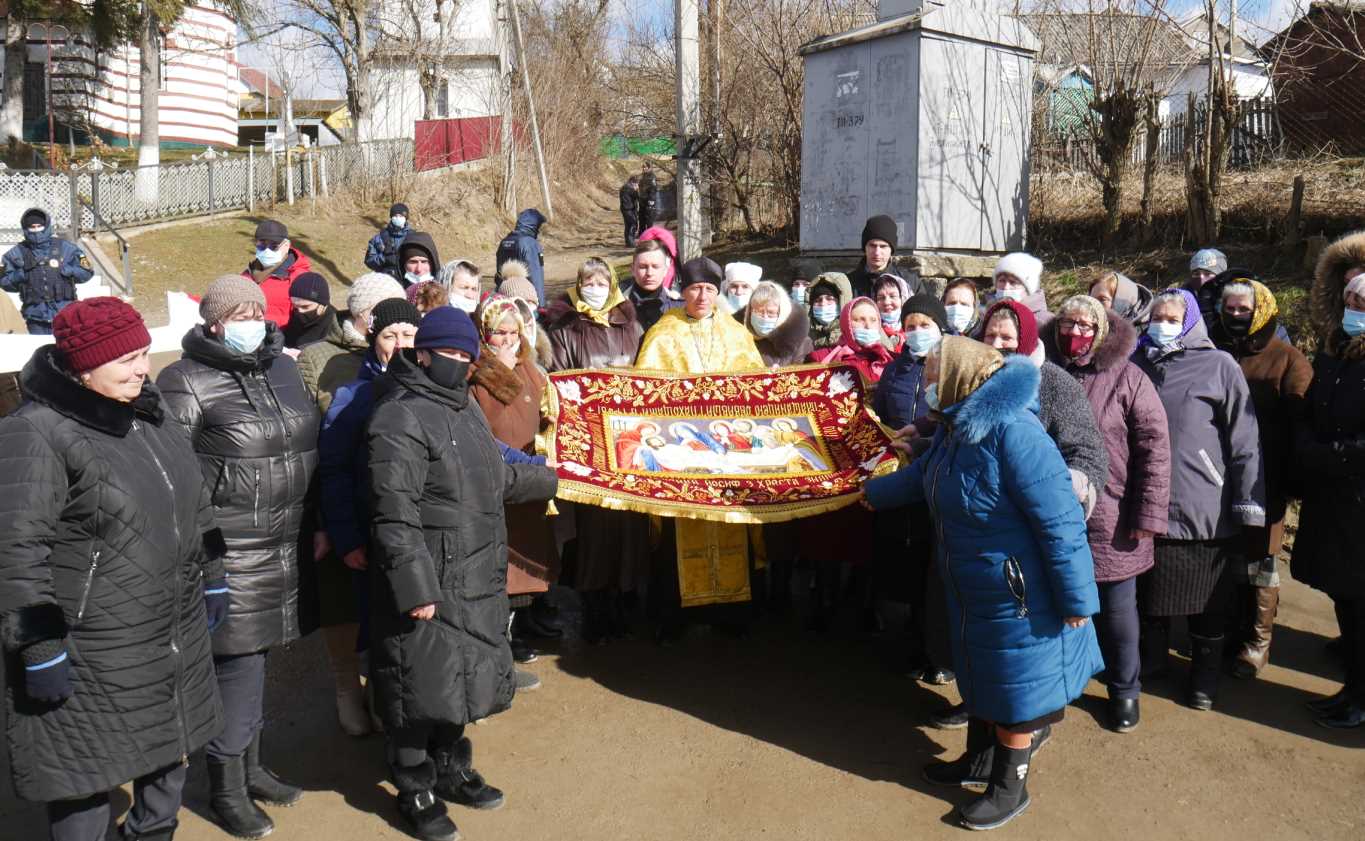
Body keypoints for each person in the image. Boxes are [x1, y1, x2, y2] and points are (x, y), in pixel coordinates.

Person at [0, 298, 224, 841]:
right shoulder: (38, 431)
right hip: (91, 643)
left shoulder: (150, 412)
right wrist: (39, 645)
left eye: (144, 354)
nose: (142, 369)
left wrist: (213, 568)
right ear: (83, 367)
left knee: (170, 753)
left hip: (170, 629)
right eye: (125, 360)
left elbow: (192, 496)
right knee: (81, 774)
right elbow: (16, 547)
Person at [863, 337, 1102, 831]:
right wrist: (866, 494)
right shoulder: (956, 429)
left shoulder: (1018, 434)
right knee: (980, 677)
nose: (926, 384)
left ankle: (1009, 788)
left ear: (959, 377)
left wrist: (1077, 598)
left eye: (933, 374)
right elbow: (921, 478)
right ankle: (977, 761)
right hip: (973, 588)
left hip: (1020, 596)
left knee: (1017, 693)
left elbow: (1061, 523)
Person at [366, 307, 557, 841]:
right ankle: (414, 785)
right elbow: (391, 512)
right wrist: (414, 587)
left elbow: (495, 477)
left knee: (459, 679)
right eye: (445, 354)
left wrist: (560, 482)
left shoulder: (465, 408)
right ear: (421, 354)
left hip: (474, 570)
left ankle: (451, 766)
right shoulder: (398, 415)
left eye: (464, 355)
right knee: (416, 685)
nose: (456, 362)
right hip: (428, 577)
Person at [157, 275, 321, 838]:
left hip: (288, 541)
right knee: (238, 666)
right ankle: (224, 787)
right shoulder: (184, 380)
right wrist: (202, 557)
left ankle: (252, 768)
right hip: (231, 548)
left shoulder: (283, 368)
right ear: (213, 321)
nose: (253, 320)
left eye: (258, 309)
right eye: (239, 312)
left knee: (260, 660)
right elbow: (173, 475)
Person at [1043, 294, 1171, 733]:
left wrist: (1148, 514)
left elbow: (1155, 449)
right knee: (1059, 604)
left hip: (1112, 515)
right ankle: (1062, 682)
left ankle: (1124, 691)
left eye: (1084, 326)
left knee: (1117, 611)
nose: (1074, 333)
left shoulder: (1129, 378)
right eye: (1067, 324)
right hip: (1050, 512)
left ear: (1100, 333)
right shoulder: (1044, 373)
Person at [1134, 288, 1264, 712]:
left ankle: (1204, 678)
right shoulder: (1138, 362)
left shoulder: (1219, 365)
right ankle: (1151, 663)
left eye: (1172, 318)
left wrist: (1248, 501)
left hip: (1201, 504)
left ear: (1190, 323)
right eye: (1157, 316)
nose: (1162, 324)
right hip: (1145, 499)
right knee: (1149, 591)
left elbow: (1244, 439)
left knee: (1206, 599)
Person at [635, 257, 765, 640]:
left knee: (731, 524)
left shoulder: (736, 334)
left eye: (709, 288)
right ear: (683, 291)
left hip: (728, 456)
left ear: (718, 291)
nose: (702, 295)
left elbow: (755, 389)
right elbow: (646, 390)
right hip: (683, 454)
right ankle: (676, 613)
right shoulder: (663, 332)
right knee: (681, 524)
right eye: (695, 288)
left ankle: (732, 612)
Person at [317, 299, 423, 737]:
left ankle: (406, 702)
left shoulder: (433, 386)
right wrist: (346, 536)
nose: (400, 345)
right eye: (389, 336)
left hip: (422, 529)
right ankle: (374, 698)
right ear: (373, 340)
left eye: (409, 336)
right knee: (381, 621)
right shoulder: (354, 396)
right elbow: (335, 470)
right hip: (374, 527)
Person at [1208, 277, 1310, 681]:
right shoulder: (1212, 348)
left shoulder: (1288, 359)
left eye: (1243, 309)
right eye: (1229, 309)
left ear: (1262, 310)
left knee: (1261, 562)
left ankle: (1258, 641)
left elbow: (1300, 425)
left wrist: (1288, 480)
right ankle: (1231, 630)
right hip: (1216, 474)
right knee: (1228, 558)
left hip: (1267, 477)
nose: (1235, 316)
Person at [546, 257, 649, 642]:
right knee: (593, 530)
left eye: (601, 281)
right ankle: (593, 603)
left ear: (613, 285)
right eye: (588, 281)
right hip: (588, 443)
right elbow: (560, 381)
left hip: (629, 443)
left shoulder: (631, 324)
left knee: (628, 525)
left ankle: (625, 598)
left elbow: (645, 377)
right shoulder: (565, 328)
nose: (595, 287)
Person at [1290, 232, 1365, 728]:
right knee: (1345, 595)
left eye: (1363, 300)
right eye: (1351, 298)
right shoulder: (1336, 351)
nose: (1354, 304)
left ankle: (1360, 698)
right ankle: (1354, 686)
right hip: (1333, 497)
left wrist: (1329, 454)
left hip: (1358, 496)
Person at [472, 295, 560, 664]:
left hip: (531, 471)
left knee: (531, 553)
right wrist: (501, 372)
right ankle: (504, 634)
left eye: (513, 332)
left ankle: (526, 622)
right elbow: (482, 418)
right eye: (498, 333)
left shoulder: (530, 368)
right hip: (499, 474)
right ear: (484, 334)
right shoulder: (475, 372)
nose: (507, 340)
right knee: (505, 559)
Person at [870, 294, 952, 683]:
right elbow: (881, 416)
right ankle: (909, 647)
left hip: (935, 476)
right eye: (911, 325)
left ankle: (937, 655)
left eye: (926, 325)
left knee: (931, 567)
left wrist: (923, 438)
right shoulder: (894, 370)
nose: (918, 333)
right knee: (900, 564)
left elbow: (950, 417)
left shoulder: (951, 367)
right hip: (898, 475)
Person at [297, 272, 406, 415]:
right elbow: (305, 417)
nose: (394, 317)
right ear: (361, 311)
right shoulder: (314, 357)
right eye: (386, 309)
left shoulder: (405, 350)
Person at [0, 207, 94, 334]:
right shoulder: (14, 254)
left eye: (39, 226)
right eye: (32, 227)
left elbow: (87, 272)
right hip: (35, 317)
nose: (36, 230)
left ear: (47, 225)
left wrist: (69, 270)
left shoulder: (67, 248)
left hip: (66, 314)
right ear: (25, 228)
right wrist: (21, 275)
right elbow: (3, 282)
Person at [808, 297, 897, 386]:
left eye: (873, 320)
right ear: (847, 324)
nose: (868, 326)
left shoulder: (891, 360)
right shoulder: (821, 358)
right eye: (860, 320)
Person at [241, 219, 311, 328]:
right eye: (262, 245)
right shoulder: (247, 274)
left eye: (274, 246)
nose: (267, 251)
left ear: (286, 246)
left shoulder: (300, 279)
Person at [621, 229, 683, 333]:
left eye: (655, 267)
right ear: (632, 269)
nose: (649, 273)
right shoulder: (618, 308)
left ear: (666, 270)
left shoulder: (680, 309)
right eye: (643, 267)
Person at [848, 215, 920, 299]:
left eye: (883, 246)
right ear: (865, 247)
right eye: (872, 245)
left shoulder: (910, 283)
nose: (877, 252)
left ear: (891, 250)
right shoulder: (848, 283)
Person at [745, 279, 812, 367]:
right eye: (758, 312)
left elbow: (806, 376)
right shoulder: (743, 340)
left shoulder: (801, 344)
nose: (764, 318)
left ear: (781, 314)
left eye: (771, 313)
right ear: (750, 312)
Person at [495, 209, 548, 305]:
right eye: (538, 226)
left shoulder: (504, 242)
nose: (539, 230)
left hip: (504, 297)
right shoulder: (529, 243)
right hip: (526, 300)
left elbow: (498, 276)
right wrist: (541, 306)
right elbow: (536, 276)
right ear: (532, 226)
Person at [989, 252, 1050, 328]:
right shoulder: (988, 314)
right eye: (1002, 280)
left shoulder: (1044, 322)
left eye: (1013, 282)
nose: (1006, 287)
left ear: (1028, 289)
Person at [283, 271, 336, 350]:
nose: (300, 311)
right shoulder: (296, 316)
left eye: (305, 307)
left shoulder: (335, 328)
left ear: (322, 304)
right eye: (295, 306)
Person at [364, 202, 412, 282]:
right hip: (385, 282)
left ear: (406, 218)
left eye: (401, 216)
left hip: (408, 281)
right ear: (391, 217)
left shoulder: (413, 237)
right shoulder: (379, 238)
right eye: (395, 216)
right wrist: (384, 258)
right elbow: (369, 260)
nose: (398, 218)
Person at [808, 271, 853, 350]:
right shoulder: (805, 335)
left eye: (829, 299)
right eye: (818, 300)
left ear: (841, 302)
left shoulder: (854, 333)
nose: (823, 304)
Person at [1185, 248, 1228, 320]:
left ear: (1221, 276)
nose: (1201, 278)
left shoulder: (1232, 302)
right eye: (1196, 274)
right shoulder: (1183, 299)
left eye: (1207, 274)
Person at [873, 274, 910, 350]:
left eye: (892, 296)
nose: (887, 302)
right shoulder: (871, 330)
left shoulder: (914, 328)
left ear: (902, 299)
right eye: (881, 298)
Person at [620, 176, 640, 247]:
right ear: (632, 182)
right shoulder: (629, 188)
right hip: (629, 209)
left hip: (625, 208)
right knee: (633, 224)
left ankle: (628, 242)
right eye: (636, 184)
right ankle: (631, 242)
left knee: (628, 225)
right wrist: (636, 190)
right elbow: (638, 197)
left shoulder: (624, 187)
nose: (637, 185)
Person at [638, 163, 658, 230]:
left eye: (645, 167)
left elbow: (653, 189)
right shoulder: (643, 176)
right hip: (642, 200)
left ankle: (649, 234)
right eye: (643, 167)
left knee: (649, 219)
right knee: (641, 218)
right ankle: (642, 234)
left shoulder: (652, 176)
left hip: (649, 200)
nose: (644, 168)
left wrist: (651, 200)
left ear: (649, 168)